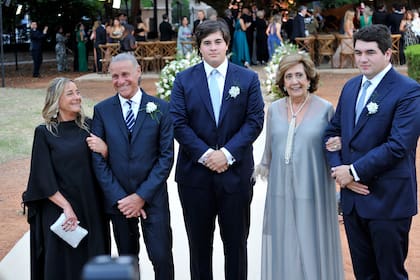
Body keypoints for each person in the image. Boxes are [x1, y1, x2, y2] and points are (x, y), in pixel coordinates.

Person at [170, 20, 265, 280]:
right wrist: (205, 155)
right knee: (199, 246)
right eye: (207, 43)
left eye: (218, 42)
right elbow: (178, 122)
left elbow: (254, 120)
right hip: (194, 178)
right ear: (199, 47)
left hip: (235, 176)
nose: (213, 48)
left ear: (227, 44)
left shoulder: (247, 78)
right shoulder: (183, 80)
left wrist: (227, 154)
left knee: (236, 245)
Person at [324, 24, 420, 279]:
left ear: (388, 53)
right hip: (354, 202)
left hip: (388, 200)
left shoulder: (408, 91)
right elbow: (332, 134)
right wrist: (340, 172)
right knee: (363, 275)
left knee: (390, 274)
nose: (362, 59)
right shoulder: (351, 87)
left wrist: (353, 172)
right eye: (358, 53)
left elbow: (399, 145)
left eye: (370, 52)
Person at [254, 53, 344, 280]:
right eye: (289, 76)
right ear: (282, 82)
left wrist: (339, 145)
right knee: (286, 245)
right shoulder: (273, 110)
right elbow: (269, 151)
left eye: (299, 76)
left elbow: (334, 150)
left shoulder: (325, 109)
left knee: (313, 246)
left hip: (314, 191)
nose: (295, 81)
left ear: (309, 79)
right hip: (281, 192)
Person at [91, 53, 174, 280]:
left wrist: (140, 196)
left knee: (161, 257)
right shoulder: (102, 111)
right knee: (127, 260)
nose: (120, 81)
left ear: (138, 72)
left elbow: (166, 158)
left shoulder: (161, 108)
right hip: (119, 203)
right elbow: (98, 160)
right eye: (115, 76)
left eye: (125, 74)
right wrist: (122, 199)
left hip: (153, 199)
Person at [22, 77, 110, 280]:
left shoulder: (90, 126)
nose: (77, 97)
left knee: (92, 261)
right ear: (56, 100)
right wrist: (66, 207)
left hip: (90, 207)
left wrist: (104, 150)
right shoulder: (44, 133)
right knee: (62, 264)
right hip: (59, 210)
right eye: (70, 93)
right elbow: (41, 177)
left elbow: (105, 164)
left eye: (78, 92)